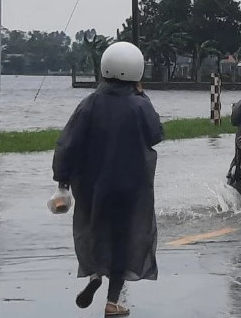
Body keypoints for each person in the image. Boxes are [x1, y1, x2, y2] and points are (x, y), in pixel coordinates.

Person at [53, 41, 163, 317]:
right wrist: (144, 97)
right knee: (122, 240)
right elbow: (156, 134)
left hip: (91, 187)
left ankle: (93, 276)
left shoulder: (89, 103)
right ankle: (113, 302)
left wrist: (62, 182)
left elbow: (67, 144)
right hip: (130, 187)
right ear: (137, 71)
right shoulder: (140, 106)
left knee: (93, 230)